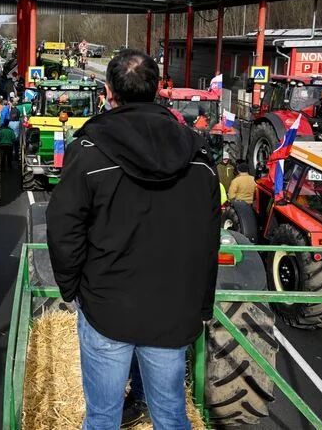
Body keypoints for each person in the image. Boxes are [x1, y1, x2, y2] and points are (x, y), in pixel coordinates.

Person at [46, 49, 219, 430]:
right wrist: (201, 305)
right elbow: (210, 241)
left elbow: (63, 227)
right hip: (172, 311)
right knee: (171, 415)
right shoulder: (200, 158)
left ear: (109, 92)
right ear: (158, 89)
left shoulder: (88, 152)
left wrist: (70, 286)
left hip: (107, 307)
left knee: (103, 417)